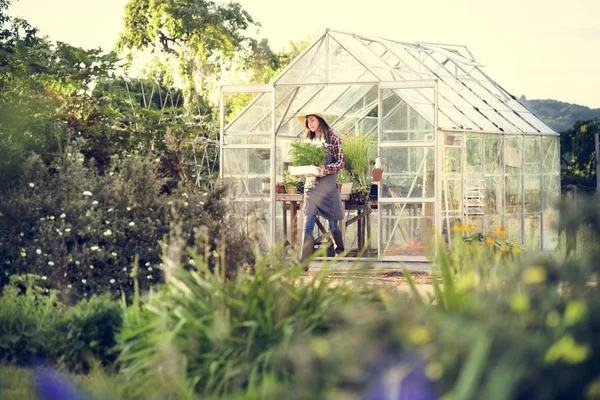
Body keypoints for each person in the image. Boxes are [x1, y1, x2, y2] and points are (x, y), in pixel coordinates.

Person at [295, 112, 345, 268]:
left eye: (312, 120)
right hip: (311, 187)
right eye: (307, 121)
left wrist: (326, 169)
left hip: (328, 188)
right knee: (308, 223)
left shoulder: (333, 138)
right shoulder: (307, 141)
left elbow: (340, 163)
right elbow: (301, 161)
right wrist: (303, 171)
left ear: (320, 121)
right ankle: (303, 263)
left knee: (333, 226)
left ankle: (340, 248)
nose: (309, 123)